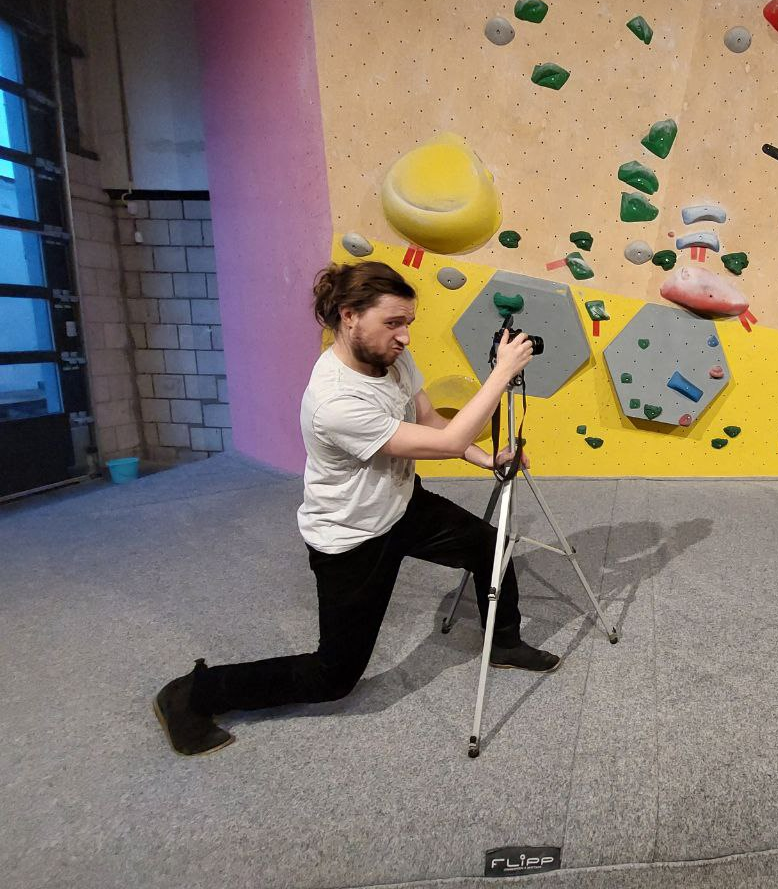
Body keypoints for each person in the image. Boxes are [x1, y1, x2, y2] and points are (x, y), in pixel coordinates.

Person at [154, 260, 558, 756]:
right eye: (394, 323)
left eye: (408, 321)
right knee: (334, 676)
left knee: (489, 546)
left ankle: (505, 642)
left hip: (401, 504)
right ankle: (194, 694)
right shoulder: (335, 401)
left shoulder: (391, 359)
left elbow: (431, 421)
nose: (405, 336)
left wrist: (486, 458)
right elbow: (450, 435)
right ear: (349, 316)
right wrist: (502, 373)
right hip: (351, 537)